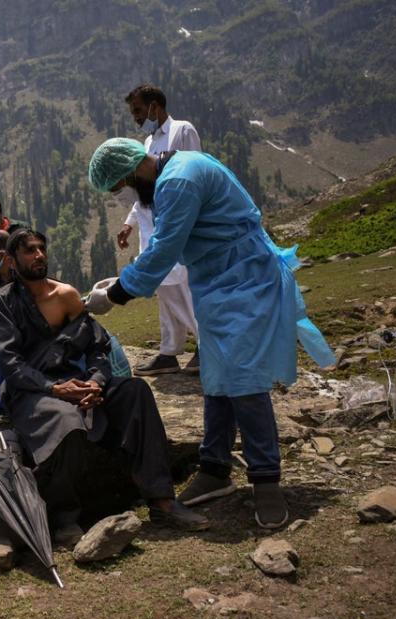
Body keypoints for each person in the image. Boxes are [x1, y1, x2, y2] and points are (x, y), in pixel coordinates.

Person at [86, 139, 336, 529]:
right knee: (217, 378)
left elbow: (165, 249)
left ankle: (266, 480)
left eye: (121, 186)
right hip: (217, 283)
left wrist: (115, 294)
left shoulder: (180, 180)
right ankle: (215, 467)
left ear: (132, 171)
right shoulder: (178, 169)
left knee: (245, 382)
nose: (126, 194)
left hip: (243, 278)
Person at [0, 229, 209, 544]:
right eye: (29, 251)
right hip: (34, 390)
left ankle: (161, 499)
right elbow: (11, 365)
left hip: (76, 384)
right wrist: (56, 389)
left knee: (136, 392)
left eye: (41, 249)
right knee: (66, 421)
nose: (39, 255)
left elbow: (97, 348)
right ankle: (64, 517)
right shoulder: (4, 302)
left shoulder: (65, 296)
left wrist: (95, 381)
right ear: (12, 260)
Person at [116, 84, 202, 376]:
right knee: (165, 289)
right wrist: (129, 223)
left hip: (175, 225)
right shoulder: (147, 143)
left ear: (155, 105)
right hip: (151, 225)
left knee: (186, 287)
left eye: (138, 110)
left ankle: (205, 347)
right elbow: (144, 188)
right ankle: (169, 351)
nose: (137, 118)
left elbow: (194, 172)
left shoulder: (182, 131)